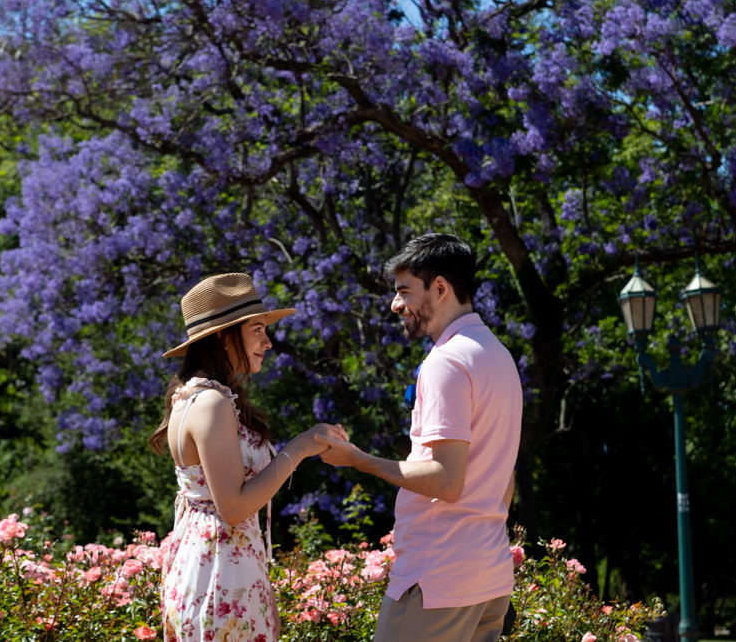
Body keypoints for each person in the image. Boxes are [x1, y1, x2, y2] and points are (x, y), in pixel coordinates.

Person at [315, 233, 523, 642]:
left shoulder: (446, 362)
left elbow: (446, 480)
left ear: (440, 288)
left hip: (439, 578)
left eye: (404, 291)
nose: (396, 304)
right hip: (489, 577)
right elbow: (507, 480)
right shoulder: (498, 355)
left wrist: (358, 459)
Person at [149, 272, 347, 642]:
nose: (268, 342)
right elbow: (234, 507)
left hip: (214, 566)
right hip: (220, 575)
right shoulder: (211, 402)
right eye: (257, 329)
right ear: (223, 336)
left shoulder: (194, 396)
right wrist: (299, 448)